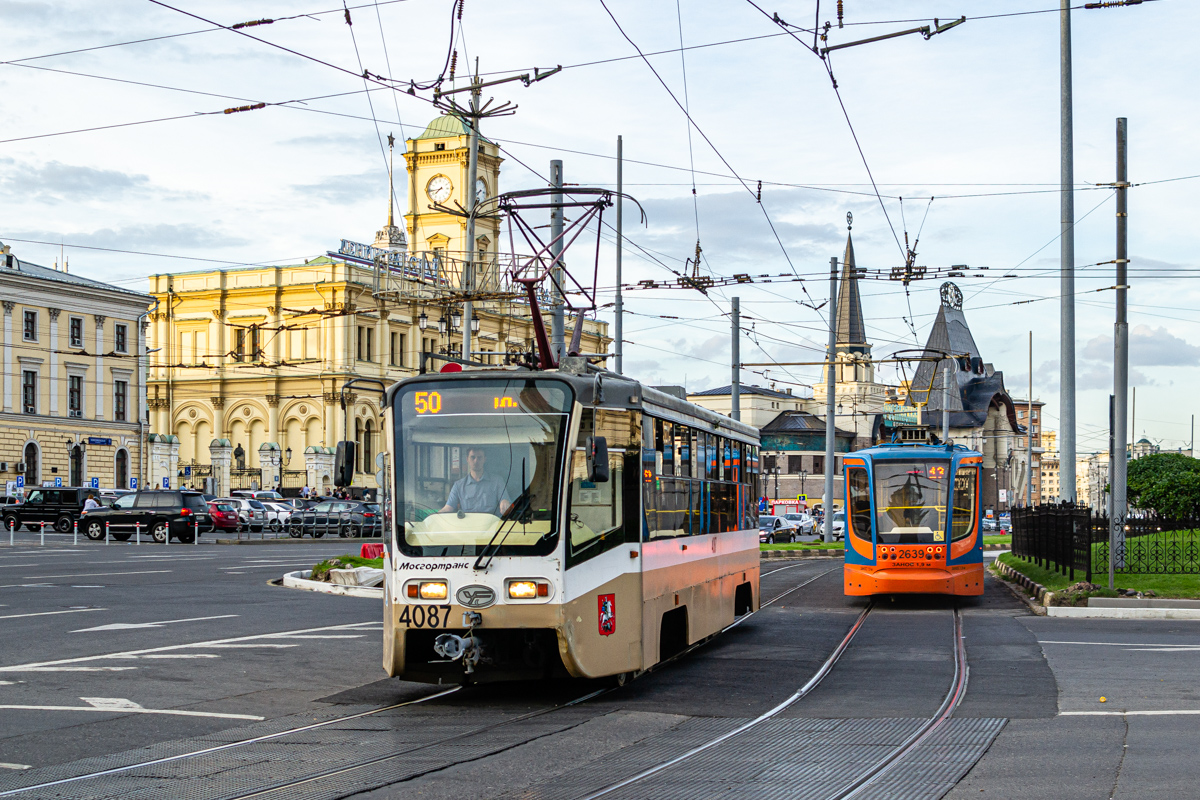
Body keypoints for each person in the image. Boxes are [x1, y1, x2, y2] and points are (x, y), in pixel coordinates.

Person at [440, 447, 512, 516]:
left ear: (484, 459)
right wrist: (433, 517)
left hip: (492, 526)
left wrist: (505, 503)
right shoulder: (458, 485)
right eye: (473, 457)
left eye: (479, 458)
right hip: (468, 526)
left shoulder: (497, 481)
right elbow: (448, 508)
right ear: (467, 459)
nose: (476, 461)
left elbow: (505, 501)